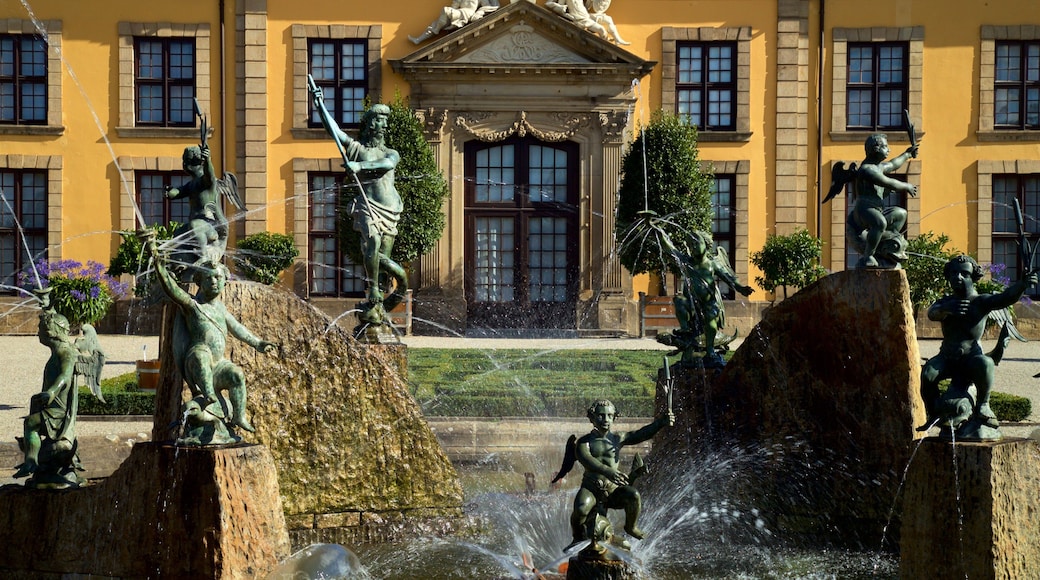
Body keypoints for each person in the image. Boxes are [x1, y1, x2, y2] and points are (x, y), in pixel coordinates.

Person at [143, 231, 276, 435]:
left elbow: (237, 328)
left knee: (237, 375)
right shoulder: (193, 305)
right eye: (208, 278)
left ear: (224, 281)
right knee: (201, 355)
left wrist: (257, 343)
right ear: (200, 282)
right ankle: (207, 396)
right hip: (196, 360)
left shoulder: (221, 309)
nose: (213, 281)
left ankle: (239, 416)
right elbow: (171, 289)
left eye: (217, 278)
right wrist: (158, 261)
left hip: (218, 365)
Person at [309, 87, 408, 325]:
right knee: (372, 242)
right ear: (370, 123)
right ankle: (373, 289)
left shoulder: (391, 152)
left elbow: (387, 164)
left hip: (390, 210)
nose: (384, 125)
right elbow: (335, 131)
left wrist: (359, 167)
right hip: (366, 206)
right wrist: (320, 105)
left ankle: (379, 306)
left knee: (382, 261)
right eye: (380, 120)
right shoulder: (357, 150)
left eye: (385, 121)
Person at [919, 255, 1037, 432]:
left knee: (985, 363)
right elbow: (932, 313)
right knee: (928, 374)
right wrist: (945, 309)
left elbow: (1005, 298)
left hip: (970, 358)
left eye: (964, 274)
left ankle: (983, 405)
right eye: (953, 273)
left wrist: (1022, 285)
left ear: (974, 277)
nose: (958, 277)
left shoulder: (981, 302)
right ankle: (934, 412)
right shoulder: (945, 302)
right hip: (947, 357)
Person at [13, 290, 105, 487]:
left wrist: (52, 391)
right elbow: (54, 320)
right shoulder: (61, 349)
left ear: (51, 332)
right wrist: (47, 305)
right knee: (33, 412)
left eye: (40, 329)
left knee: (31, 423)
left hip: (58, 410)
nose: (37, 332)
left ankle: (31, 461)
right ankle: (34, 459)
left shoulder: (66, 353)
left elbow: (65, 375)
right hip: (53, 406)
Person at [558, 400, 674, 552]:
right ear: (592, 417)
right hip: (591, 487)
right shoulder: (583, 442)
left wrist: (660, 423)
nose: (605, 419)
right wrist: (608, 472)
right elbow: (586, 459)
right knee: (580, 509)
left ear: (614, 417)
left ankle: (631, 526)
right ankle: (578, 537)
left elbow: (640, 434)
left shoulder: (618, 438)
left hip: (612, 490)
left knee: (633, 495)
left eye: (609, 415)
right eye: (601, 415)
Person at [661, 230, 753, 367]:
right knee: (679, 300)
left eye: (697, 243)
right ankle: (685, 329)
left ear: (706, 244)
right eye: (691, 245)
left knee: (710, 317)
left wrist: (741, 288)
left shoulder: (712, 264)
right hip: (691, 304)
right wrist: (660, 232)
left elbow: (729, 279)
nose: (693, 247)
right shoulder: (687, 262)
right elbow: (670, 249)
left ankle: (710, 348)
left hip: (708, 304)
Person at [849, 133, 919, 268]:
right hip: (864, 210)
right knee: (880, 223)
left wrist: (907, 154)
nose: (889, 150)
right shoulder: (867, 170)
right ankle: (868, 256)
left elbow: (893, 164)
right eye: (885, 147)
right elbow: (888, 182)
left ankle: (887, 241)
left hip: (877, 209)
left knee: (901, 213)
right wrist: (906, 186)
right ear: (876, 148)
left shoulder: (878, 167)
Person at [165, 143, 228, 271]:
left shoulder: (206, 182)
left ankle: (203, 256)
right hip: (199, 227)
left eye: (189, 161)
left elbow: (210, 176)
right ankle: (180, 262)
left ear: (198, 163)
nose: (185, 165)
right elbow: (178, 192)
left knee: (195, 225)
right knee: (178, 233)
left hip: (212, 226)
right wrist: (169, 192)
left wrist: (208, 160)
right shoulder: (191, 184)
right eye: (185, 161)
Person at [408, 0, 499, 45]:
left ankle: (436, 30)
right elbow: (454, 7)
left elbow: (487, 6)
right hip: (459, 12)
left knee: (445, 11)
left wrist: (479, 13)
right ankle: (419, 39)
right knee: (442, 17)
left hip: (467, 13)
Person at [546, 0, 629, 45]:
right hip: (580, 19)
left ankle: (617, 40)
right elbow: (550, 4)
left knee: (608, 19)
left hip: (586, 15)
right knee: (602, 30)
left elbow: (588, 6)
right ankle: (605, 47)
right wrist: (561, 8)